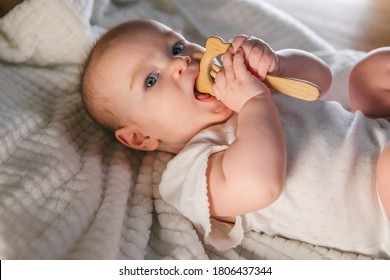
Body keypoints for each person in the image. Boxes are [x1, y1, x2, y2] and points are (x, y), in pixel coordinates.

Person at [81, 19, 390, 258]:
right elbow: (261, 183)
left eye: (175, 48)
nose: (180, 63)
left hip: (377, 130)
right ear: (140, 137)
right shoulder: (191, 171)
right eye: (151, 80)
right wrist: (254, 104)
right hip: (380, 205)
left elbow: (320, 79)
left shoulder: (248, 88)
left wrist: (277, 65)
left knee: (371, 72)